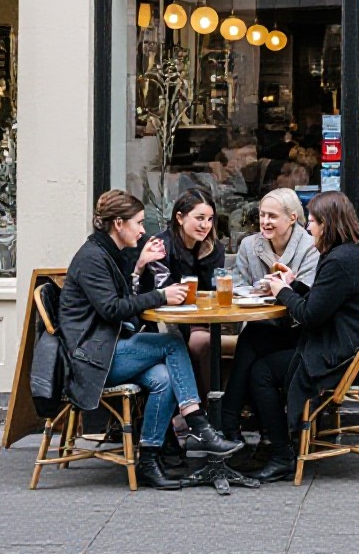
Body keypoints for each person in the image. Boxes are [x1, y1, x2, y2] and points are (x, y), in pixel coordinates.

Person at [57, 190, 242, 489]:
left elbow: (121, 303)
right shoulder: (93, 257)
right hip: (93, 359)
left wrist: (140, 268)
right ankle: (198, 422)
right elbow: (112, 308)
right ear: (119, 223)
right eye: (139, 223)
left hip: (108, 347)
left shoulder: (108, 253)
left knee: (164, 377)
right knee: (172, 344)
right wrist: (160, 295)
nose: (143, 230)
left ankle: (149, 459)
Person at [248, 192, 359, 482]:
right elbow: (324, 301)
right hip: (353, 348)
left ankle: (281, 454)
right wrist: (294, 285)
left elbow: (311, 315)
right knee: (255, 339)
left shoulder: (339, 261)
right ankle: (246, 434)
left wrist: (282, 292)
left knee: (261, 371)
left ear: (327, 224)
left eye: (312, 221)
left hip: (348, 360)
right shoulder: (350, 253)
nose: (308, 227)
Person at [220, 188, 319, 441]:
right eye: (262, 215)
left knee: (252, 344)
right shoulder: (249, 245)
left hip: (299, 332)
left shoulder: (309, 247)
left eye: (272, 216)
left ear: (293, 218)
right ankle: (243, 428)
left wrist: (281, 288)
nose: (265, 222)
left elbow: (308, 297)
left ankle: (230, 423)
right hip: (263, 325)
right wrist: (258, 289)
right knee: (253, 337)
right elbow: (238, 286)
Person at [133, 189, 224, 396]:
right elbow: (167, 293)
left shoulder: (213, 247)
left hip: (198, 320)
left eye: (210, 219)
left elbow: (214, 292)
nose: (205, 225)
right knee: (200, 343)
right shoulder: (160, 245)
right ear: (180, 217)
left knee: (209, 342)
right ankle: (195, 413)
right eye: (199, 218)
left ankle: (208, 412)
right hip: (161, 322)